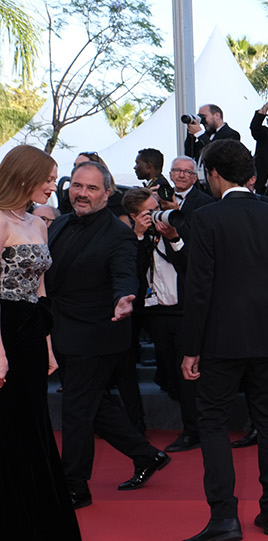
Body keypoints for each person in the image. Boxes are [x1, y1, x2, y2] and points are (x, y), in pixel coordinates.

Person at [176, 140, 268, 541]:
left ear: (213, 174)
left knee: (210, 422)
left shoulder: (206, 219)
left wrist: (191, 347)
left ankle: (224, 515)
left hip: (221, 340)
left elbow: (198, 289)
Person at [47, 160, 170, 508]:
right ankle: (147, 455)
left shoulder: (118, 234)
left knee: (76, 409)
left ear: (107, 193)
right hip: (62, 329)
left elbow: (124, 273)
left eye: (91, 188)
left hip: (96, 334)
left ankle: (75, 486)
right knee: (92, 403)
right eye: (77, 186)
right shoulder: (59, 224)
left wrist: (124, 298)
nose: (82, 194)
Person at [0, 146, 81, 541]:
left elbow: (40, 289)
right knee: (9, 430)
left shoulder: (37, 223)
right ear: (23, 176)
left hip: (31, 332)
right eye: (48, 178)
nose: (55, 185)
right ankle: (15, 535)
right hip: (3, 332)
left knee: (33, 424)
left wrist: (47, 344)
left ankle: (46, 527)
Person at [120, 187, 199, 454]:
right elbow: (133, 269)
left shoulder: (178, 226)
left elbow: (192, 265)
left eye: (157, 208)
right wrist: (140, 235)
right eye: (148, 212)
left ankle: (193, 430)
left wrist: (174, 237)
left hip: (184, 311)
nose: (156, 215)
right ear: (133, 215)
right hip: (155, 314)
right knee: (169, 370)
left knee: (186, 372)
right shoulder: (133, 239)